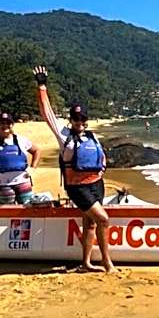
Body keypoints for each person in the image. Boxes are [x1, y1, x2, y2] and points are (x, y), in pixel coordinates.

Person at [33, 66, 114, 272]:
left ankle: (86, 263)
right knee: (103, 219)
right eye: (76, 119)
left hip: (96, 184)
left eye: (83, 119)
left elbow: (101, 156)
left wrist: (102, 168)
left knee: (91, 224)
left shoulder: (92, 136)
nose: (80, 122)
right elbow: (47, 113)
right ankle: (107, 262)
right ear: (71, 120)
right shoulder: (63, 135)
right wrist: (42, 86)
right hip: (78, 188)